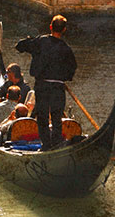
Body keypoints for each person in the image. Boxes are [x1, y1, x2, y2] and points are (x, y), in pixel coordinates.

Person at [15, 14, 77, 150]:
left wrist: (28, 42)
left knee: (42, 116)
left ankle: (46, 146)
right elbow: (72, 68)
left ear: (50, 27)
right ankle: (56, 145)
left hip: (42, 85)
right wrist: (64, 77)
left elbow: (20, 46)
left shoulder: (41, 42)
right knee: (56, 117)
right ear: (64, 30)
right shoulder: (66, 49)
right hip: (57, 86)